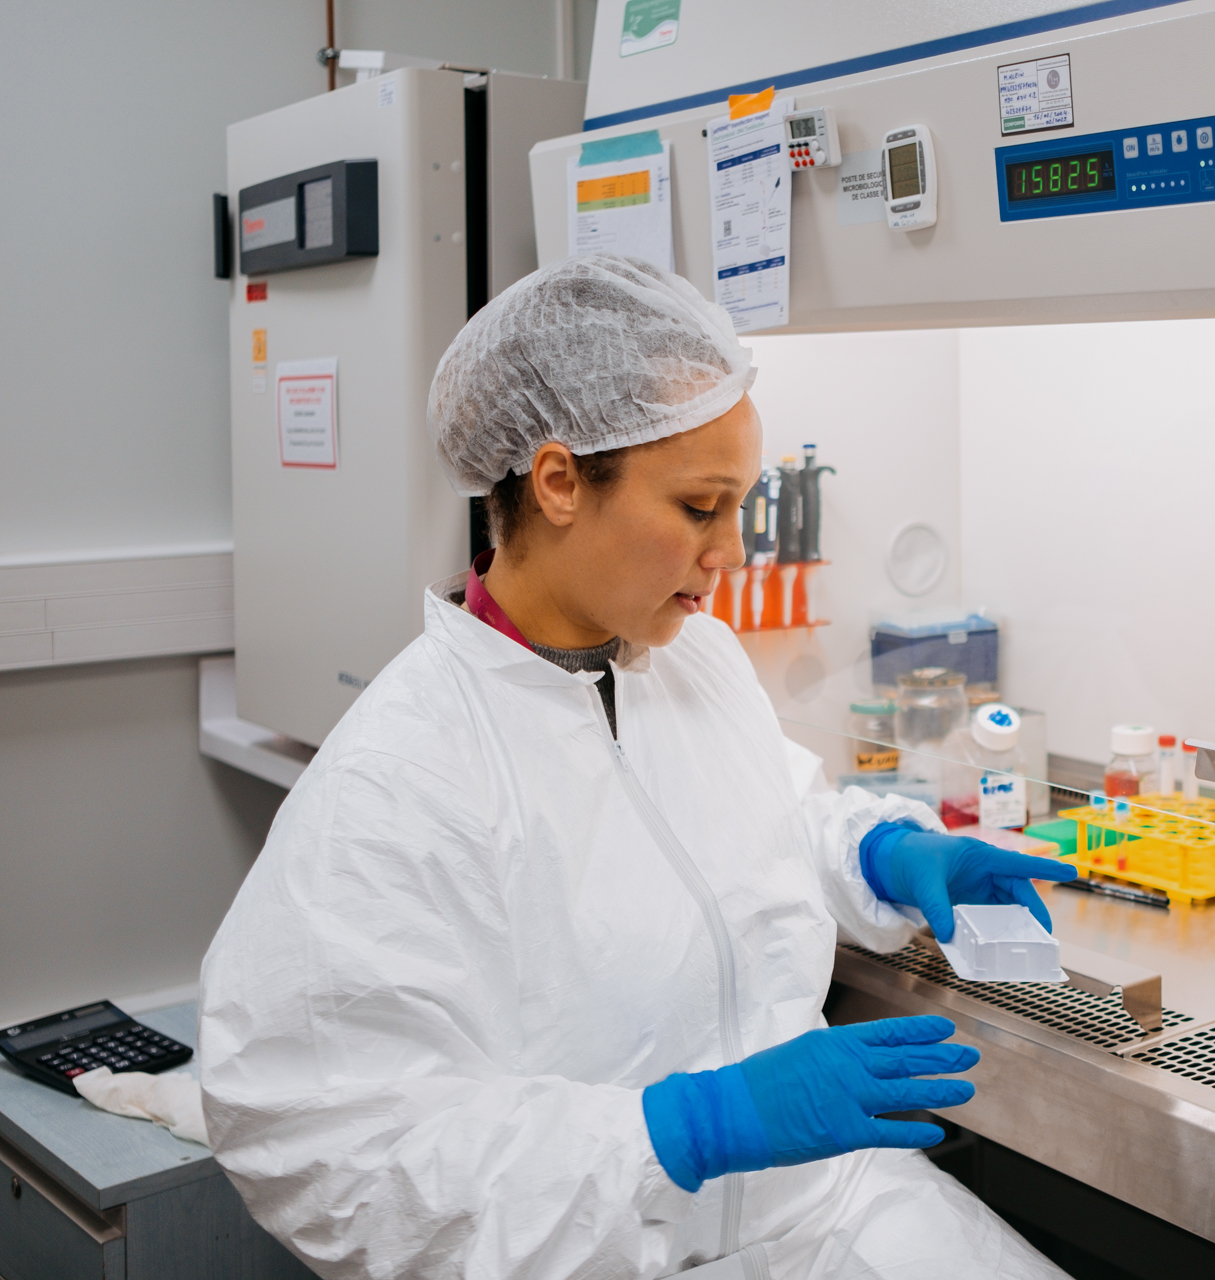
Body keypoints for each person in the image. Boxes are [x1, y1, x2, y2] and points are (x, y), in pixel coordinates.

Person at [198, 255, 1077, 1279]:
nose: (733, 552)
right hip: (611, 1252)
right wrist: (683, 1129)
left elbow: (764, 820)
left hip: (827, 1200)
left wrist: (882, 850)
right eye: (702, 508)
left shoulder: (685, 658)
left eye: (741, 505)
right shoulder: (400, 778)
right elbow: (329, 1151)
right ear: (560, 480)